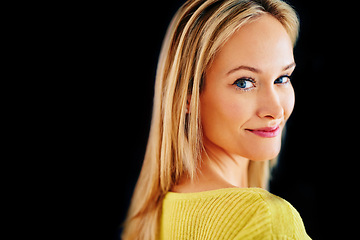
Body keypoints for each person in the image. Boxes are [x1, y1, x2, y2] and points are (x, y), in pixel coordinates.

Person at [123, 0, 311, 239]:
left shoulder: (160, 213)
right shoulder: (265, 218)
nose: (276, 109)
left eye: (282, 78)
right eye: (244, 82)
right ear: (188, 96)